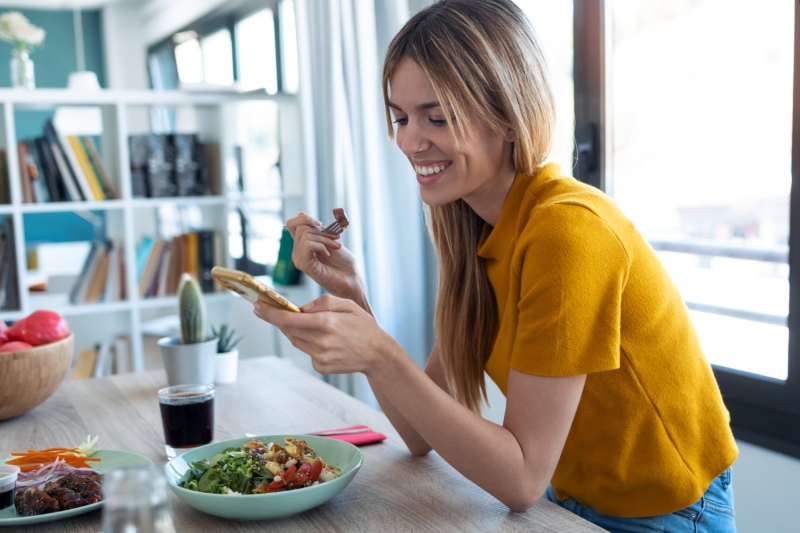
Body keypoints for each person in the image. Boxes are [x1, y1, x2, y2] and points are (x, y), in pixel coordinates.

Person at [253, 1, 738, 531]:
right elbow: (418, 435)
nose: (409, 142)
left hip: (665, 511)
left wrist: (380, 354)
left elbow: (521, 480)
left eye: (437, 117)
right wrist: (353, 297)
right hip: (572, 500)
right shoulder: (479, 232)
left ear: (507, 116)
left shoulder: (567, 233)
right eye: (401, 117)